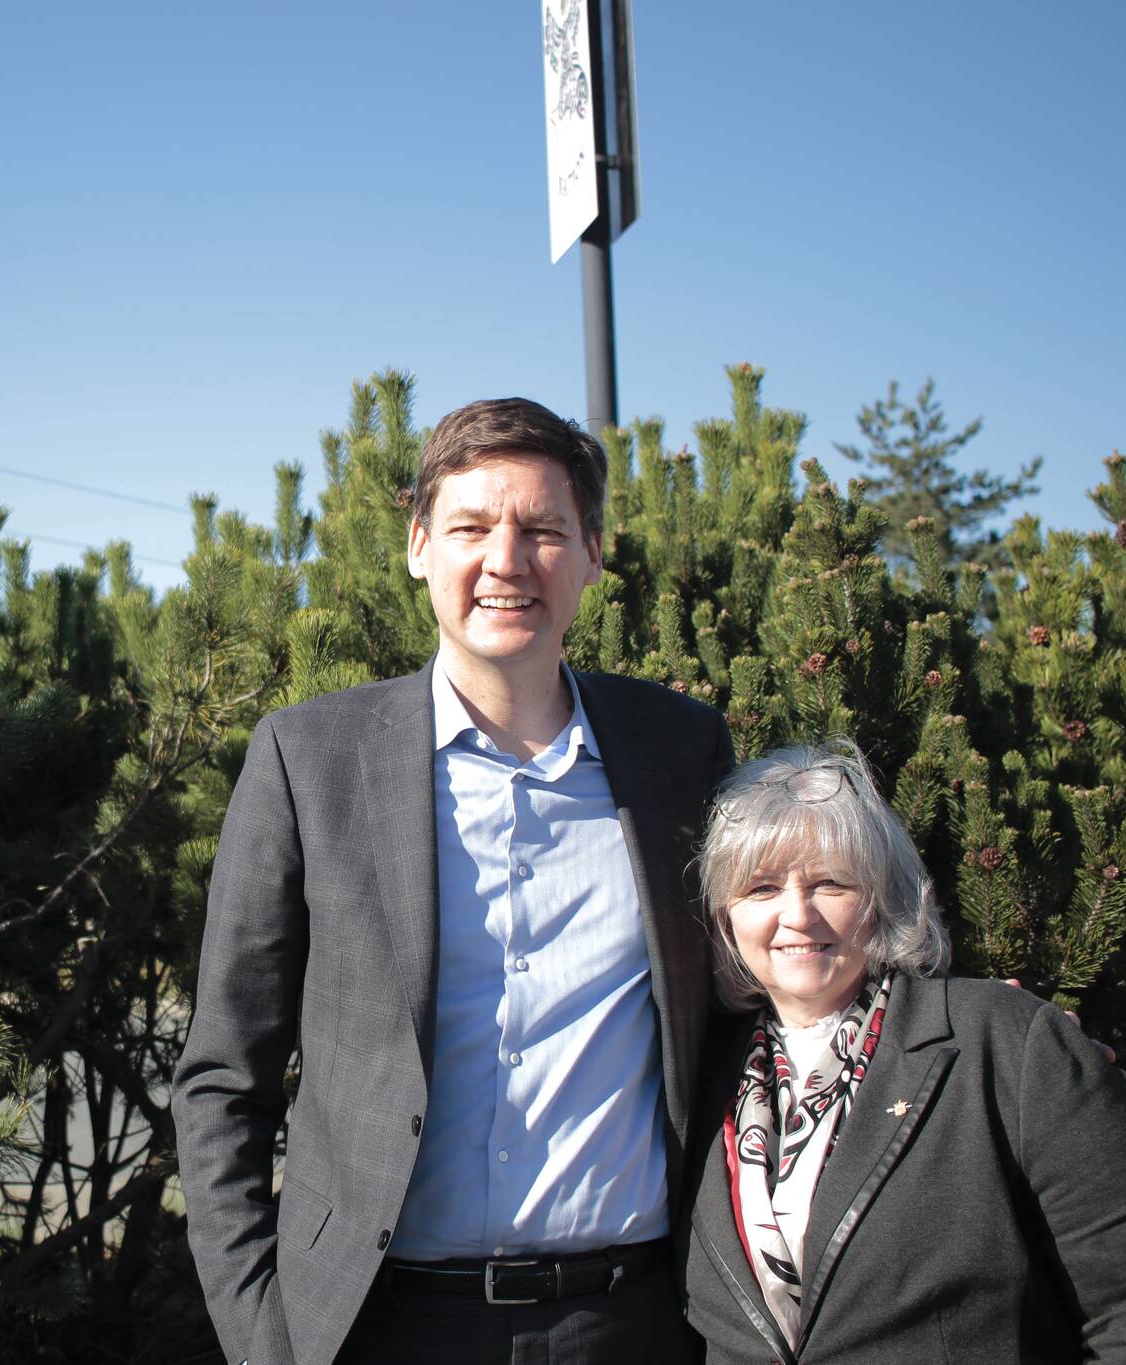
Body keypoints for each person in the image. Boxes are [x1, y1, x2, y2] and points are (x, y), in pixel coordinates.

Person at [173, 398, 733, 1365]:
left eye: (544, 529)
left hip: (633, 1322)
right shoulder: (311, 760)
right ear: (419, 545)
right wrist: (266, 1338)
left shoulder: (683, 753)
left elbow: (746, 1010)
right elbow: (225, 1075)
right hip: (378, 1326)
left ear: (593, 552)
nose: (507, 560)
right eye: (473, 527)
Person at [681, 740, 1126, 1364]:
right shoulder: (695, 1077)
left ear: (881, 897)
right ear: (725, 916)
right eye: (762, 888)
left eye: (830, 883)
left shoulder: (1004, 1041)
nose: (796, 915)